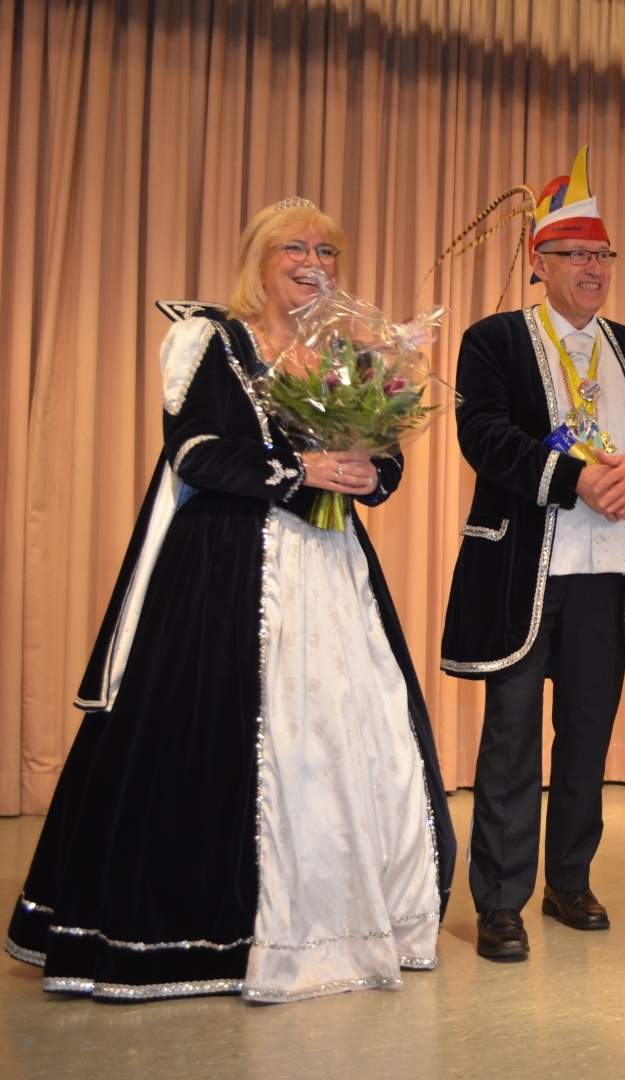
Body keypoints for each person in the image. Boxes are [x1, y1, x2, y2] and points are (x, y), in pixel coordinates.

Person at [4, 198, 456, 1002]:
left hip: (332, 568)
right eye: (294, 248)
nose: (313, 262)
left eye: (327, 250)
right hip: (225, 565)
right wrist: (300, 472)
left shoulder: (349, 351)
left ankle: (340, 920)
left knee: (354, 732)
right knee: (209, 736)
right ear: (259, 259)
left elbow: (381, 459)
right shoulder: (209, 338)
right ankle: (211, 933)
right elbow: (195, 452)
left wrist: (365, 471)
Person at [441, 148, 625, 961]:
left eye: (602, 254)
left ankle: (569, 881)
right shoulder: (493, 340)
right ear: (538, 261)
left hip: (607, 576)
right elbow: (483, 436)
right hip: (522, 571)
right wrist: (575, 479)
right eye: (574, 254)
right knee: (510, 739)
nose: (592, 268)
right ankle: (500, 901)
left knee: (586, 736)